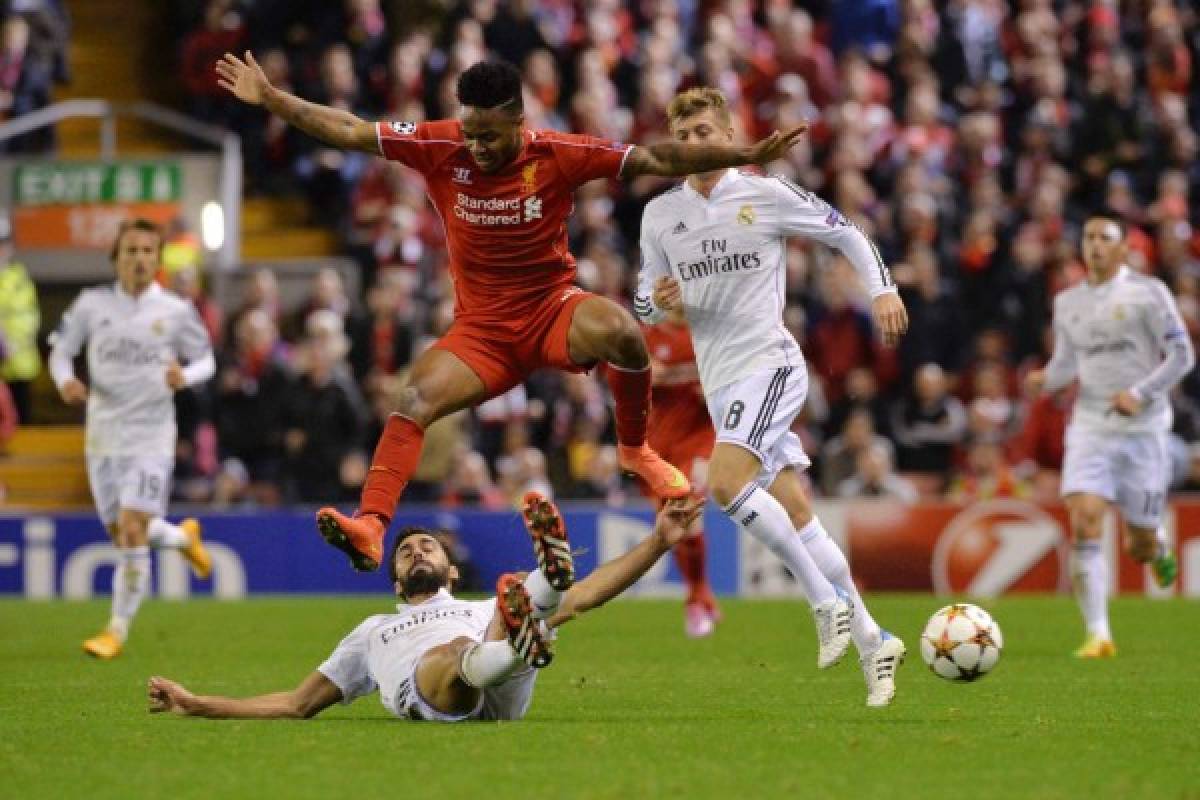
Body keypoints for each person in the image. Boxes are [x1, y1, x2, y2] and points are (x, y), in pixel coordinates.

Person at [216, 53, 807, 573]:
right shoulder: (438, 143)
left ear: (519, 124)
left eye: (490, 136)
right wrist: (271, 98)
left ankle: (635, 450)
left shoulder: (559, 153)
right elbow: (348, 130)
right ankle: (371, 526)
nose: (477, 146)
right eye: (471, 133)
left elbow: (654, 156)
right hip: (483, 332)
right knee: (413, 399)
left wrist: (743, 155)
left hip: (552, 310)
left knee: (625, 332)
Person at [634, 87, 909, 707]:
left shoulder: (764, 192)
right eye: (685, 134)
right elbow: (642, 298)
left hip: (772, 363)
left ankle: (823, 602)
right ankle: (873, 637)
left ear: (727, 132)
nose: (695, 142)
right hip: (723, 379)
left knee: (726, 483)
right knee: (800, 516)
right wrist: (658, 301)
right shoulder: (660, 215)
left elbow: (848, 232)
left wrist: (882, 289)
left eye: (706, 130)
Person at [147, 492, 703, 722]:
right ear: (393, 575)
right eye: (405, 551)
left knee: (541, 603)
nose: (416, 551)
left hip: (494, 656)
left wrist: (659, 541)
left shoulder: (487, 602)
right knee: (462, 647)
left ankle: (537, 601)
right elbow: (296, 703)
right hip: (438, 688)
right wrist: (198, 703)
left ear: (451, 569)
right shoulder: (372, 631)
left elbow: (593, 595)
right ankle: (525, 631)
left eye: (427, 546)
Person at [1025, 216, 1194, 659]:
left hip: (1144, 429)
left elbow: (1183, 355)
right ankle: (1098, 634)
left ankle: (1154, 543)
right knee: (1084, 517)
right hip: (1091, 424)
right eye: (1089, 237)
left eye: (1106, 238)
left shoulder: (1149, 292)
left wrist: (1140, 393)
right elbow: (1066, 365)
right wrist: (1046, 378)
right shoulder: (1067, 303)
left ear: (1123, 250)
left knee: (1136, 545)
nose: (1096, 245)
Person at [48, 218, 216, 660]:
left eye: (147, 251)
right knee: (121, 531)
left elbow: (206, 360)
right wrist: (65, 381)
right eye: (131, 251)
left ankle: (115, 631)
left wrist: (187, 375)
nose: (139, 258)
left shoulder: (176, 311)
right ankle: (183, 540)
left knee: (131, 528)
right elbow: (62, 351)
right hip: (102, 433)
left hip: (151, 434)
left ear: (157, 260)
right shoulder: (91, 305)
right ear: (116, 259)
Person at [643, 316, 720, 637]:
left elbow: (734, 375)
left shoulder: (706, 334)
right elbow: (621, 380)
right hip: (660, 446)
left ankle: (696, 599)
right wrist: (644, 376)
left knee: (688, 508)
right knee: (672, 524)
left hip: (700, 439)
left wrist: (716, 388)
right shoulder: (647, 337)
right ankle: (700, 592)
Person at [0, 212, 42, 422]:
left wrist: (8, 346)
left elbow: (28, 319)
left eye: (2, 242)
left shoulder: (20, 278)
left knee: (20, 429)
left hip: (18, 368)